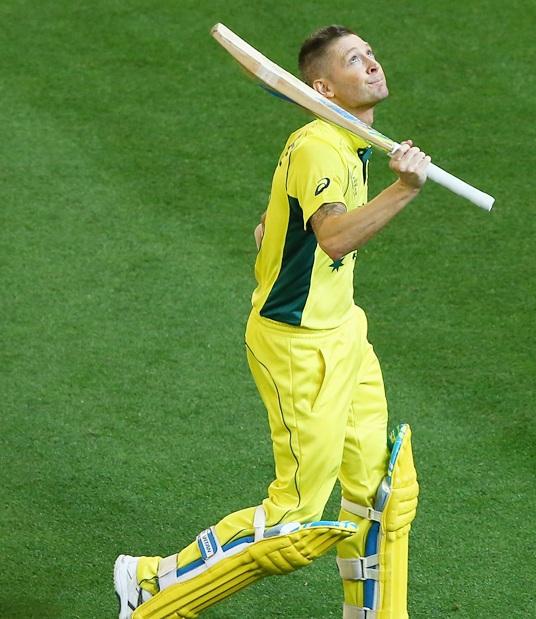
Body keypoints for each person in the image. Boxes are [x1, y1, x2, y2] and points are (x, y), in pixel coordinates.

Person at [115, 25, 426, 619]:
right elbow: (333, 237)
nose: (372, 63)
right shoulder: (319, 144)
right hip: (297, 345)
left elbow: (277, 223)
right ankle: (154, 586)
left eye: (370, 54)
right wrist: (404, 190)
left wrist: (276, 228)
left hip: (343, 331)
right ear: (322, 85)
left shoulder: (349, 139)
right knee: (296, 519)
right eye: (354, 59)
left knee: (382, 492)